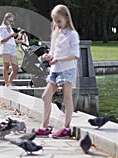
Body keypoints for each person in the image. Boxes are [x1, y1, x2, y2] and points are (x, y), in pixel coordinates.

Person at [36, 4, 80, 139]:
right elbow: (53, 52)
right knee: (45, 96)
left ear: (67, 18)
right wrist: (48, 56)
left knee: (67, 97)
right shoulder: (56, 33)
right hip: (55, 70)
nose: (57, 24)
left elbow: (75, 55)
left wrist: (58, 59)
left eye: (59, 21)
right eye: (55, 21)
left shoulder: (72, 34)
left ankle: (66, 128)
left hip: (67, 69)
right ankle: (45, 126)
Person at [0, 12, 19, 87]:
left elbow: (11, 39)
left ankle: (8, 82)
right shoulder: (1, 28)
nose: (11, 23)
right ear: (5, 19)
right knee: (6, 66)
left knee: (16, 68)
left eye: (12, 21)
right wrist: (11, 36)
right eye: (10, 21)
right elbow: (2, 41)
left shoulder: (10, 28)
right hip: (5, 48)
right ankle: (7, 83)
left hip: (12, 47)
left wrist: (16, 40)